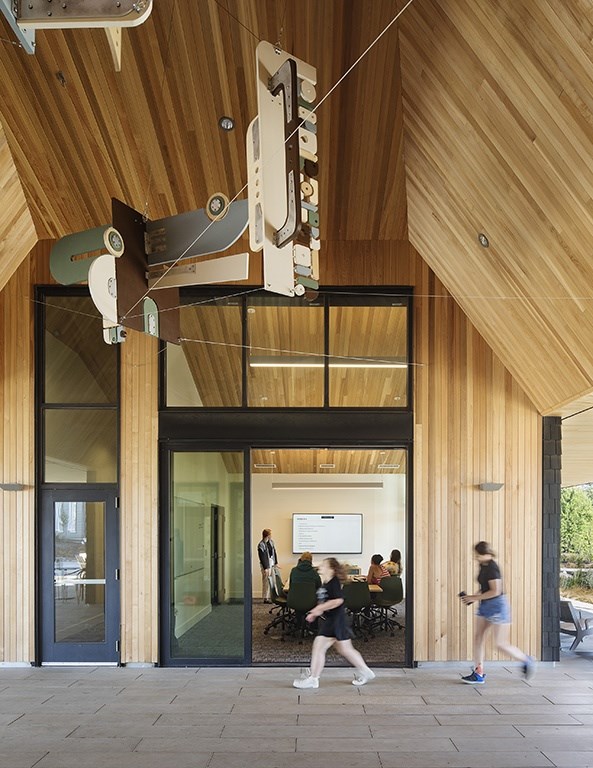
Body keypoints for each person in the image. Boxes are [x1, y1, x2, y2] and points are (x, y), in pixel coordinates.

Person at [293, 557, 375, 689]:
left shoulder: (334, 582)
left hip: (335, 620)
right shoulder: (325, 583)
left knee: (319, 646)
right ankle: (366, 671)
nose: (320, 566)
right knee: (345, 649)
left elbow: (338, 601)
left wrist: (319, 609)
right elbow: (325, 601)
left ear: (331, 569)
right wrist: (315, 612)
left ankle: (313, 679)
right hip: (334, 620)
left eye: (324, 565)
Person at [460, 541, 535, 684]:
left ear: (487, 554)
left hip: (497, 607)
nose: (476, 558)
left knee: (501, 643)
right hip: (485, 606)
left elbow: (496, 591)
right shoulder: (483, 565)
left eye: (478, 555)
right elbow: (484, 587)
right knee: (478, 638)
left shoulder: (493, 568)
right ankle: (478, 673)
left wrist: (474, 597)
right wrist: (472, 597)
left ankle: (527, 660)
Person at [257, 528, 278, 604]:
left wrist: (276, 563)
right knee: (266, 582)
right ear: (267, 535)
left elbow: (274, 552)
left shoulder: (271, 542)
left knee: (273, 581)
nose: (271, 535)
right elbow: (262, 557)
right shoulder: (261, 544)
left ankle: (273, 597)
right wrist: (266, 568)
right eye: (270, 534)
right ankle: (266, 598)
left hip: (271, 564)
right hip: (266, 566)